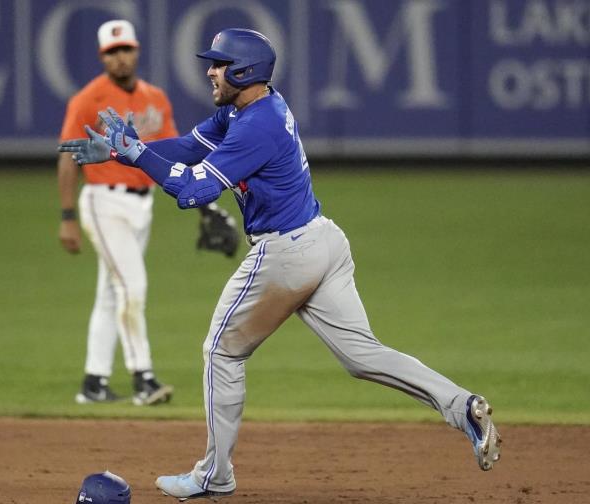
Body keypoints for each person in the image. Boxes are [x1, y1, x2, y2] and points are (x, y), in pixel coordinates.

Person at [59, 28, 503, 500]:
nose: (210, 70)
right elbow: (188, 149)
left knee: (221, 352)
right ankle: (463, 407)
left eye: (219, 63)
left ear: (245, 70)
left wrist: (139, 153)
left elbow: (192, 191)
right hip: (323, 241)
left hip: (287, 253)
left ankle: (215, 475)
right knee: (363, 356)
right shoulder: (244, 109)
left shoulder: (258, 126)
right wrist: (119, 153)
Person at [57, 19, 176, 406]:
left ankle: (94, 381)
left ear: (136, 50)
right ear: (102, 57)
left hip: (143, 204)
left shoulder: (156, 98)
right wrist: (67, 216)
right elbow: (68, 157)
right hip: (103, 202)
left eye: (124, 49)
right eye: (111, 52)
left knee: (112, 294)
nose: (120, 58)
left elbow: (171, 152)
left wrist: (205, 205)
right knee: (132, 287)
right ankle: (144, 377)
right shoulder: (88, 99)